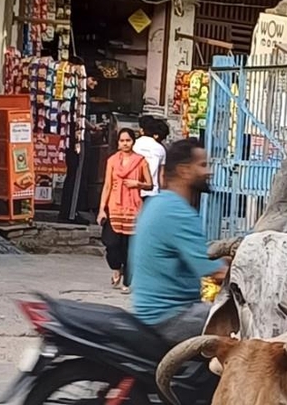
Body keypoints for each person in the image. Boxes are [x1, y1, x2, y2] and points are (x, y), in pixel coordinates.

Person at [129, 137, 225, 345]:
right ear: (184, 171)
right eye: (202, 165)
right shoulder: (178, 212)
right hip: (170, 316)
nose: (209, 172)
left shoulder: (157, 203)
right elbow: (213, 271)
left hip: (149, 310)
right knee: (241, 333)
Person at [96, 127, 152, 289]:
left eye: (128, 140)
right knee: (111, 243)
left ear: (133, 142)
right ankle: (116, 268)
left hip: (133, 208)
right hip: (114, 207)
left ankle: (128, 281)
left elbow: (150, 185)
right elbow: (107, 185)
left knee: (129, 248)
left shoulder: (141, 161)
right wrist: (102, 209)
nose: (125, 143)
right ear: (118, 142)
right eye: (122, 141)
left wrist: (138, 184)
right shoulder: (112, 161)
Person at [133, 115, 169, 199]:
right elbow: (161, 175)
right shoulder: (161, 149)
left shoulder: (133, 144)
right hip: (152, 193)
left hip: (134, 189)